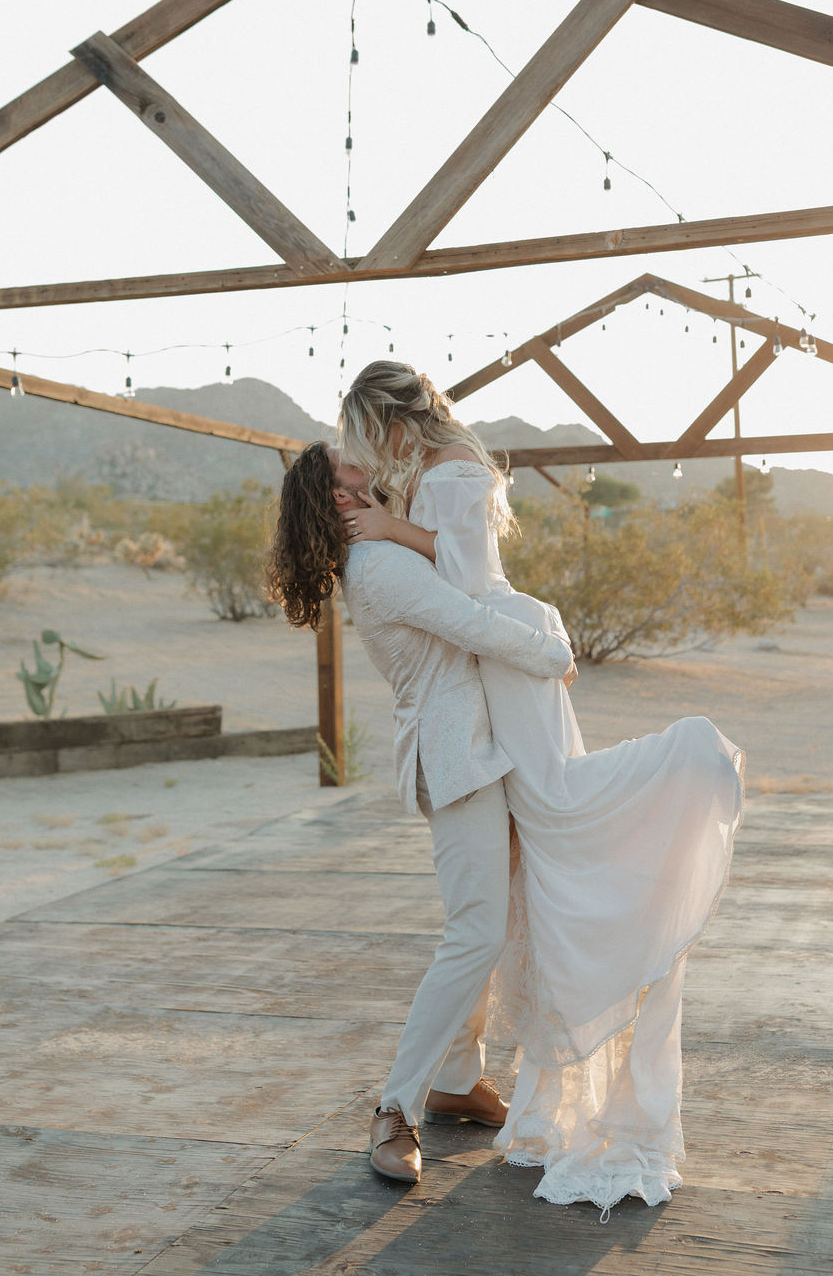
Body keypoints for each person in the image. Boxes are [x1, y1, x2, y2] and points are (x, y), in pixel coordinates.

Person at [338, 360, 745, 1216]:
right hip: (487, 688)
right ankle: (434, 1087)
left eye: (367, 445)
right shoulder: (424, 501)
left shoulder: (441, 481)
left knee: (535, 846)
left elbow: (466, 588)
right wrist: (396, 531)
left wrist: (392, 526)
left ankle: (440, 1084)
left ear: (394, 425)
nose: (366, 472)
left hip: (500, 673)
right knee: (508, 892)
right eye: (352, 469)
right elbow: (464, 592)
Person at [266, 441, 575, 1187]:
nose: (368, 469)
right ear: (340, 499)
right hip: (456, 757)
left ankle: (458, 1081)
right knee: (473, 931)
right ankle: (393, 1109)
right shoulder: (378, 565)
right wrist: (553, 649)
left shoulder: (382, 549)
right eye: (352, 471)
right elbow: (469, 621)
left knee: (490, 924)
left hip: (476, 750)